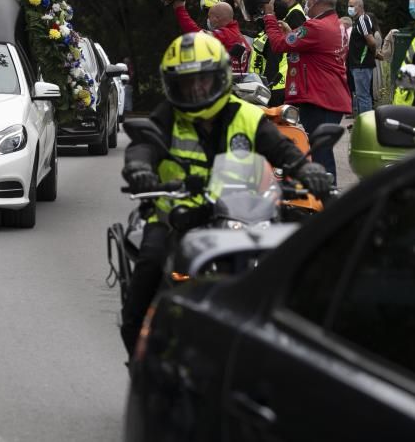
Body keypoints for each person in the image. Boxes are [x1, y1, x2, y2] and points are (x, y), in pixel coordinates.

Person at [119, 32, 328, 356]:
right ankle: (139, 355)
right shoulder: (168, 116)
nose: (196, 90)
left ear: (220, 77)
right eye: (187, 83)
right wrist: (140, 169)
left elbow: (280, 148)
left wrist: (306, 170)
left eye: (203, 81)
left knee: (291, 266)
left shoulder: (246, 114)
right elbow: (143, 146)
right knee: (150, 264)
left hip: (238, 215)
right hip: (176, 216)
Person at [262, 0, 351, 184]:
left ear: (315, 0)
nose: (305, 2)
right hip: (330, 97)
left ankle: (327, 200)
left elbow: (278, 45)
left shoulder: (316, 27)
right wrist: (290, 32)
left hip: (320, 99)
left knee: (320, 154)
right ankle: (326, 197)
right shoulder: (336, 24)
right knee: (321, 151)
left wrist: (269, 15)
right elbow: (311, 49)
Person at [158, 0, 251, 74]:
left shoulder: (226, 34)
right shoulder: (240, 37)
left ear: (216, 18)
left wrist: (180, 8)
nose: (208, 20)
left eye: (209, 16)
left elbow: (195, 34)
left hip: (228, 86)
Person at [347, 0, 383, 115]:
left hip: (361, 65)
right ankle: (360, 122)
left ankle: (366, 124)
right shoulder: (357, 21)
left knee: (363, 96)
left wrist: (373, 53)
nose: (349, 8)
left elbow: (371, 41)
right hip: (357, 65)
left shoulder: (363, 19)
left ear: (360, 7)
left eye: (352, 6)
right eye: (349, 6)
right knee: (360, 95)